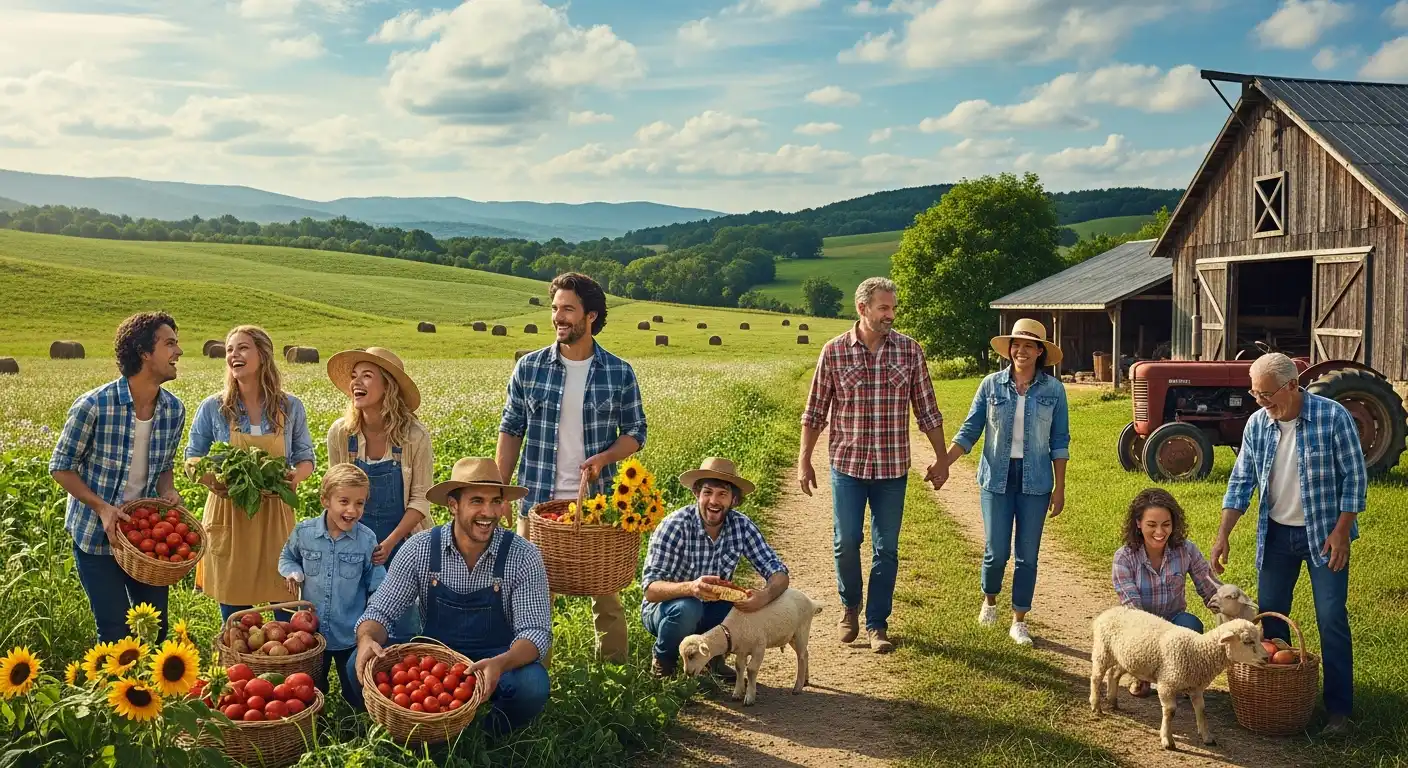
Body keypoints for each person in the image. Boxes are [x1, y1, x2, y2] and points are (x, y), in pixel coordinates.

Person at [1211, 352, 1366, 736]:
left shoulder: (1333, 417)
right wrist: (1223, 534)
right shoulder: (1258, 424)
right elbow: (1241, 481)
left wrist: (1342, 530)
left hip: (1326, 536)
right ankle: (1272, 701)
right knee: (1271, 618)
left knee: (1331, 617)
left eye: (1267, 395)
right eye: (1255, 395)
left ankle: (1338, 711)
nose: (1262, 403)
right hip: (1276, 535)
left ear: (1292, 385)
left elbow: (1355, 480)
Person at [496, 272, 647, 665]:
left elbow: (636, 431)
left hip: (596, 504)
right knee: (532, 597)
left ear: (591, 316)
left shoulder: (618, 372)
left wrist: (605, 458)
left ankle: (615, 676)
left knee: (607, 595)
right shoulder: (529, 369)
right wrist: (500, 492)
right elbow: (511, 430)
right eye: (554, 309)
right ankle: (533, 677)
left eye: (567, 309)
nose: (558, 317)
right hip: (537, 501)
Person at [799, 277, 948, 653]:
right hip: (847, 465)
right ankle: (850, 606)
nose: (891, 315)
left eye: (893, 308)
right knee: (846, 541)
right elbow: (815, 412)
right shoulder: (833, 352)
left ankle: (877, 624)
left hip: (892, 468)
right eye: (884, 308)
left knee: (887, 548)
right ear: (862, 308)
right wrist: (804, 460)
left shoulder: (909, 351)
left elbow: (927, 409)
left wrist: (942, 458)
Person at [350, 458, 551, 735]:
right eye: (477, 501)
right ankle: (405, 727)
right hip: (433, 662)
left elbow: (535, 631)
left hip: (495, 658)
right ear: (453, 505)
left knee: (533, 686)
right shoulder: (420, 549)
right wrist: (367, 638)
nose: (488, 512)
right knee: (357, 664)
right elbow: (381, 611)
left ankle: (490, 732)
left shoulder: (523, 555)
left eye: (495, 501)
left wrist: (501, 663)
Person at [50, 312, 186, 643]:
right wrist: (102, 507)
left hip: (144, 537)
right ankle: (117, 694)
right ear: (144, 352)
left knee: (155, 630)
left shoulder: (174, 410)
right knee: (114, 632)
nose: (179, 351)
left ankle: (155, 694)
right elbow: (61, 466)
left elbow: (164, 466)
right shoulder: (94, 406)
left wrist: (168, 491)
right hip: (95, 536)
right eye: (169, 343)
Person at [947, 318, 1070, 646]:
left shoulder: (1054, 390)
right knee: (996, 551)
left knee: (1027, 555)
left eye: (1029, 345)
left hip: (1037, 482)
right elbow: (971, 429)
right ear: (1009, 349)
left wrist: (1060, 488)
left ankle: (1020, 620)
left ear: (1040, 351)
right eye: (1016, 344)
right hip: (996, 479)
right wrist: (945, 461)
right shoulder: (990, 385)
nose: (1021, 350)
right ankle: (989, 602)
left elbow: (1060, 440)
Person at [185, 326, 315, 623]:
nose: (233, 355)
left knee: (285, 613)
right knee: (236, 619)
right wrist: (211, 480)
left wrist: (295, 477)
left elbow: (306, 458)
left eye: (242, 348)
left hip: (275, 516)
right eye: (230, 349)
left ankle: (286, 665)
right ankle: (239, 666)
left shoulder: (290, 407)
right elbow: (192, 457)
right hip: (230, 513)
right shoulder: (214, 408)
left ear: (263, 355)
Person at [641, 457, 790, 679]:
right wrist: (691, 587)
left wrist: (765, 596)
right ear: (697, 494)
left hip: (711, 607)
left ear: (734, 500)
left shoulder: (741, 526)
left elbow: (778, 571)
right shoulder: (675, 526)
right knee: (688, 608)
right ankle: (664, 663)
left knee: (743, 604)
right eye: (707, 492)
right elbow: (651, 590)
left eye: (722, 494)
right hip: (666, 609)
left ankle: (712, 658)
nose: (714, 501)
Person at [326, 346, 433, 639]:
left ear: (388, 386)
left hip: (402, 543)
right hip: (352, 541)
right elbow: (335, 491)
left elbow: (420, 499)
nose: (356, 383)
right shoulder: (341, 434)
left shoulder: (414, 437)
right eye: (354, 376)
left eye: (367, 376)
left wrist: (389, 543)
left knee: (403, 629)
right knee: (354, 627)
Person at [279, 463, 385, 707]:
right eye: (344, 501)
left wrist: (375, 616)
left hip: (349, 631)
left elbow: (377, 580)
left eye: (360, 503)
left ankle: (354, 721)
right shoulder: (304, 533)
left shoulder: (366, 539)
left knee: (354, 690)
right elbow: (287, 557)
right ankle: (318, 722)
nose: (352, 510)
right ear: (325, 500)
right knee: (311, 688)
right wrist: (294, 573)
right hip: (311, 635)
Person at [1113, 488, 1222, 697]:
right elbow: (1134, 611)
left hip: (1175, 624)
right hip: (1141, 630)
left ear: (1174, 523)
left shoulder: (1186, 550)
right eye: (1151, 525)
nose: (1160, 532)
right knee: (1143, 644)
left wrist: (1236, 613)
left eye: (1166, 525)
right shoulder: (1124, 558)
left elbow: (1210, 588)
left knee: (1192, 626)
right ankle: (1143, 674)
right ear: (1138, 523)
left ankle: (1178, 678)